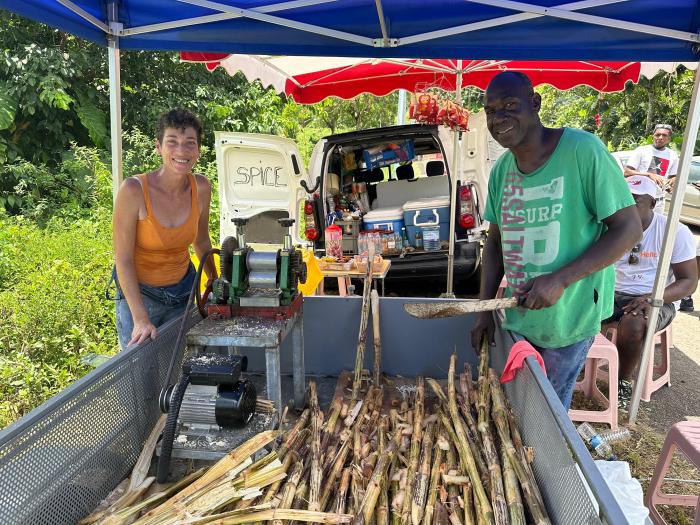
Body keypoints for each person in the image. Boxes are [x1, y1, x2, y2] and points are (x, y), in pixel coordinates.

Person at [470, 71, 642, 410]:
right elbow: (495, 242)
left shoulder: (583, 151)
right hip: (519, 315)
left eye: (509, 106)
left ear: (535, 104)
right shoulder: (502, 169)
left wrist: (560, 279)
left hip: (569, 317)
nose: (498, 118)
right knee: (520, 405)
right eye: (491, 111)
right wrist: (484, 310)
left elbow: (629, 229)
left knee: (546, 414)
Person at [112, 108, 217, 349]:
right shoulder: (133, 190)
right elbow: (123, 259)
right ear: (158, 146)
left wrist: (215, 281)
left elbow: (201, 241)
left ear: (198, 150)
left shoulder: (200, 187)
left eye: (190, 143)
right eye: (172, 142)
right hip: (140, 298)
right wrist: (140, 320)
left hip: (183, 294)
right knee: (141, 378)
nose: (181, 151)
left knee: (175, 374)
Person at [603, 175, 698, 404]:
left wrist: (652, 297)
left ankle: (622, 383)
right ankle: (578, 368)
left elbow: (688, 282)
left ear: (652, 203)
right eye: (623, 199)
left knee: (634, 324)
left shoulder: (674, 231)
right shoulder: (609, 226)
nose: (626, 205)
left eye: (635, 200)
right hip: (612, 292)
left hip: (657, 297)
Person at [624, 124, 679, 213]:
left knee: (654, 226)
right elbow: (626, 172)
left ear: (669, 139)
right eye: (657, 135)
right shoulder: (642, 150)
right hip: (639, 198)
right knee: (636, 226)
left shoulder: (673, 155)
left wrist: (673, 181)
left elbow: (673, 176)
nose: (660, 137)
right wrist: (649, 174)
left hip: (659, 201)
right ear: (653, 136)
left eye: (664, 135)